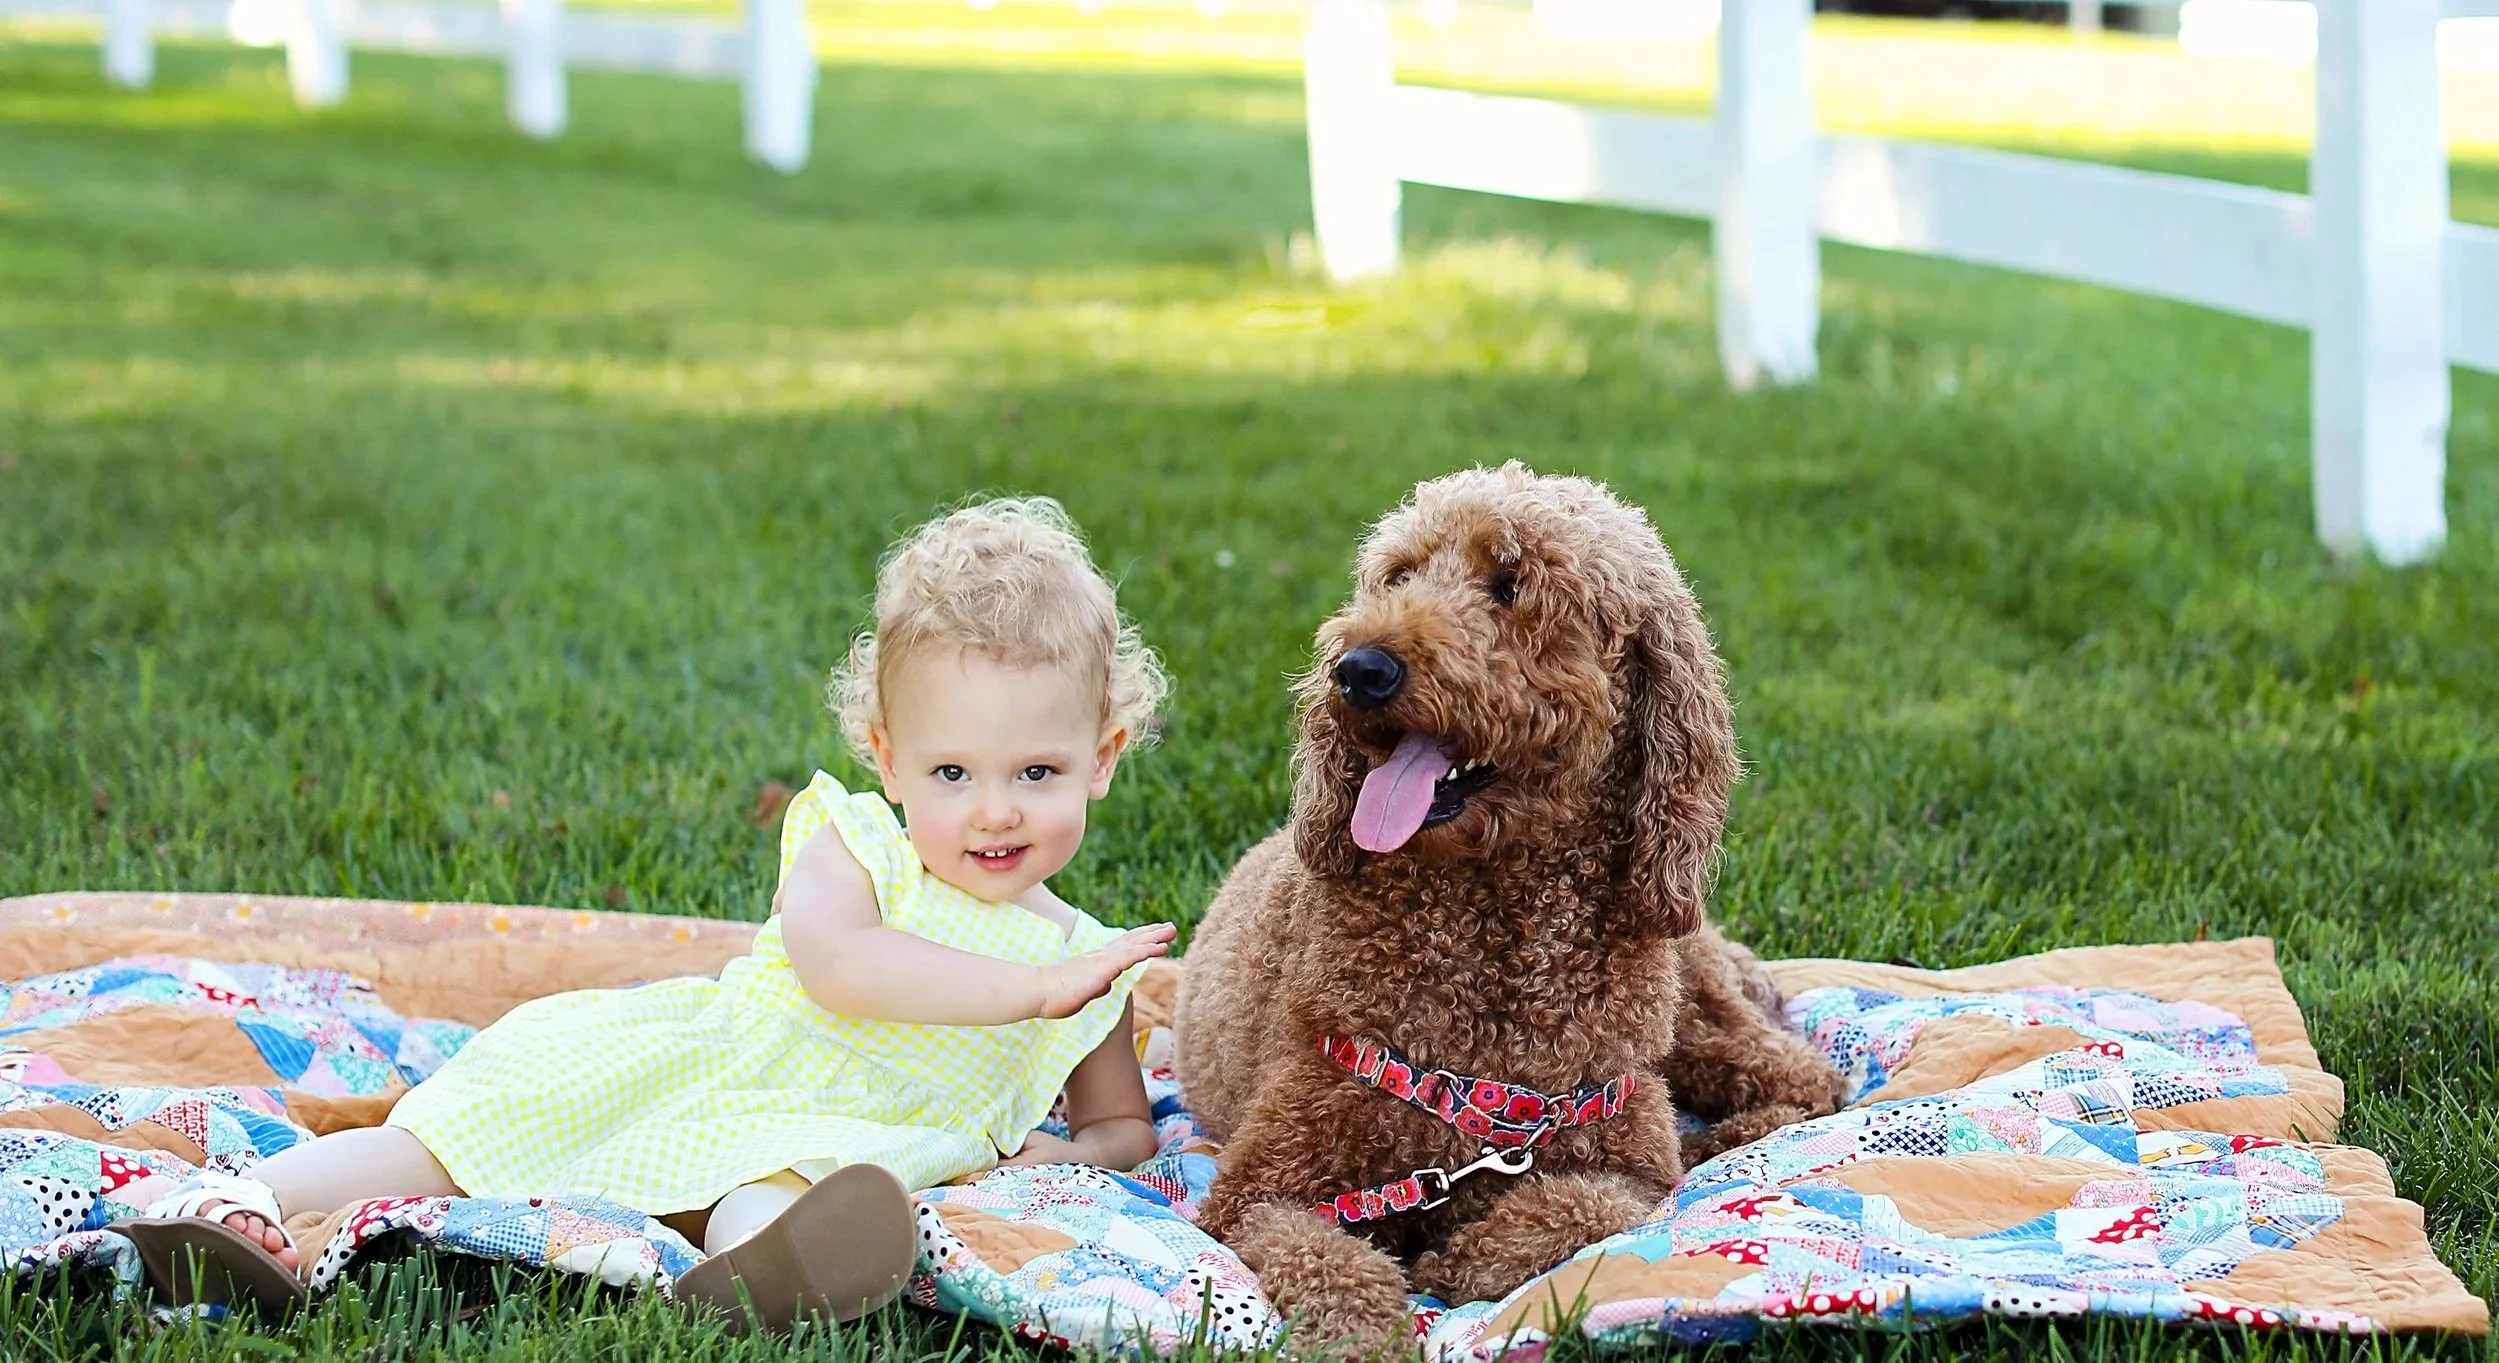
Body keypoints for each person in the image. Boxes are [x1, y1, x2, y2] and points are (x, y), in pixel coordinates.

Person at [114, 497, 1178, 1331]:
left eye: (1037, 769)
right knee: (474, 1129)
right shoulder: (853, 845)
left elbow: (1120, 1124)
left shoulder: (1086, 962)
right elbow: (843, 968)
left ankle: (763, 1277)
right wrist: (1028, 996)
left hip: (841, 1140)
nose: (995, 808)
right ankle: (237, 1203)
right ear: (889, 758)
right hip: (708, 1061)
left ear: (1105, 758)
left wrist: (1047, 1166)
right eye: (953, 770)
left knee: (799, 1186)